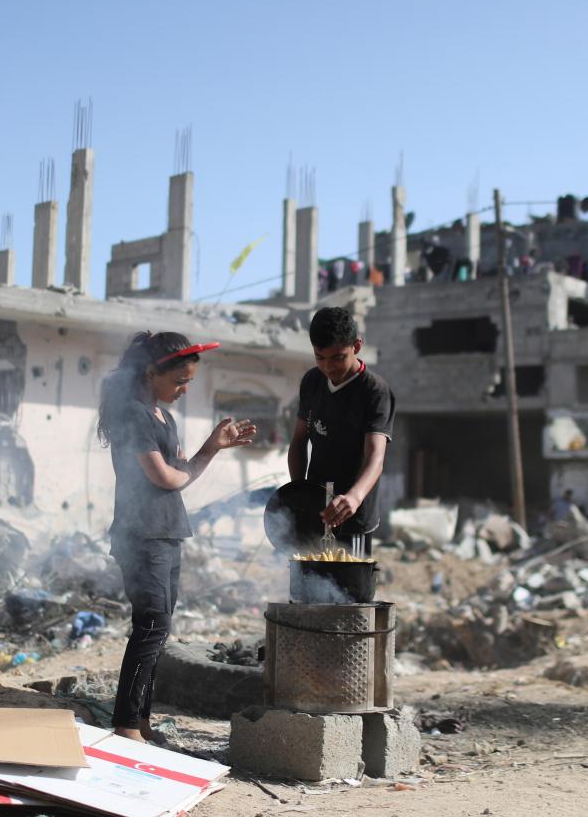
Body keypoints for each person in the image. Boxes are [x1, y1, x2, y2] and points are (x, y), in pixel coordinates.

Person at [97, 331, 256, 742]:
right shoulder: (133, 415)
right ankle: (126, 725)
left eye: (189, 381)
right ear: (151, 373)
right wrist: (209, 450)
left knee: (158, 629)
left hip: (167, 533)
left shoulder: (164, 417)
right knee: (150, 627)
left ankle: (140, 720)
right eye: (179, 381)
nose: (185, 389)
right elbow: (167, 477)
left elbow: (183, 469)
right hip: (141, 535)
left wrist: (213, 448)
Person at [288, 307, 396, 551]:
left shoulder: (375, 392)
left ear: (357, 346)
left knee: (348, 588)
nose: (328, 366)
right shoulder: (311, 382)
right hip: (315, 512)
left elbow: (375, 457)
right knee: (307, 583)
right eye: (320, 357)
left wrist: (354, 497)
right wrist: (298, 492)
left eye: (338, 357)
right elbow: (298, 441)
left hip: (353, 518)